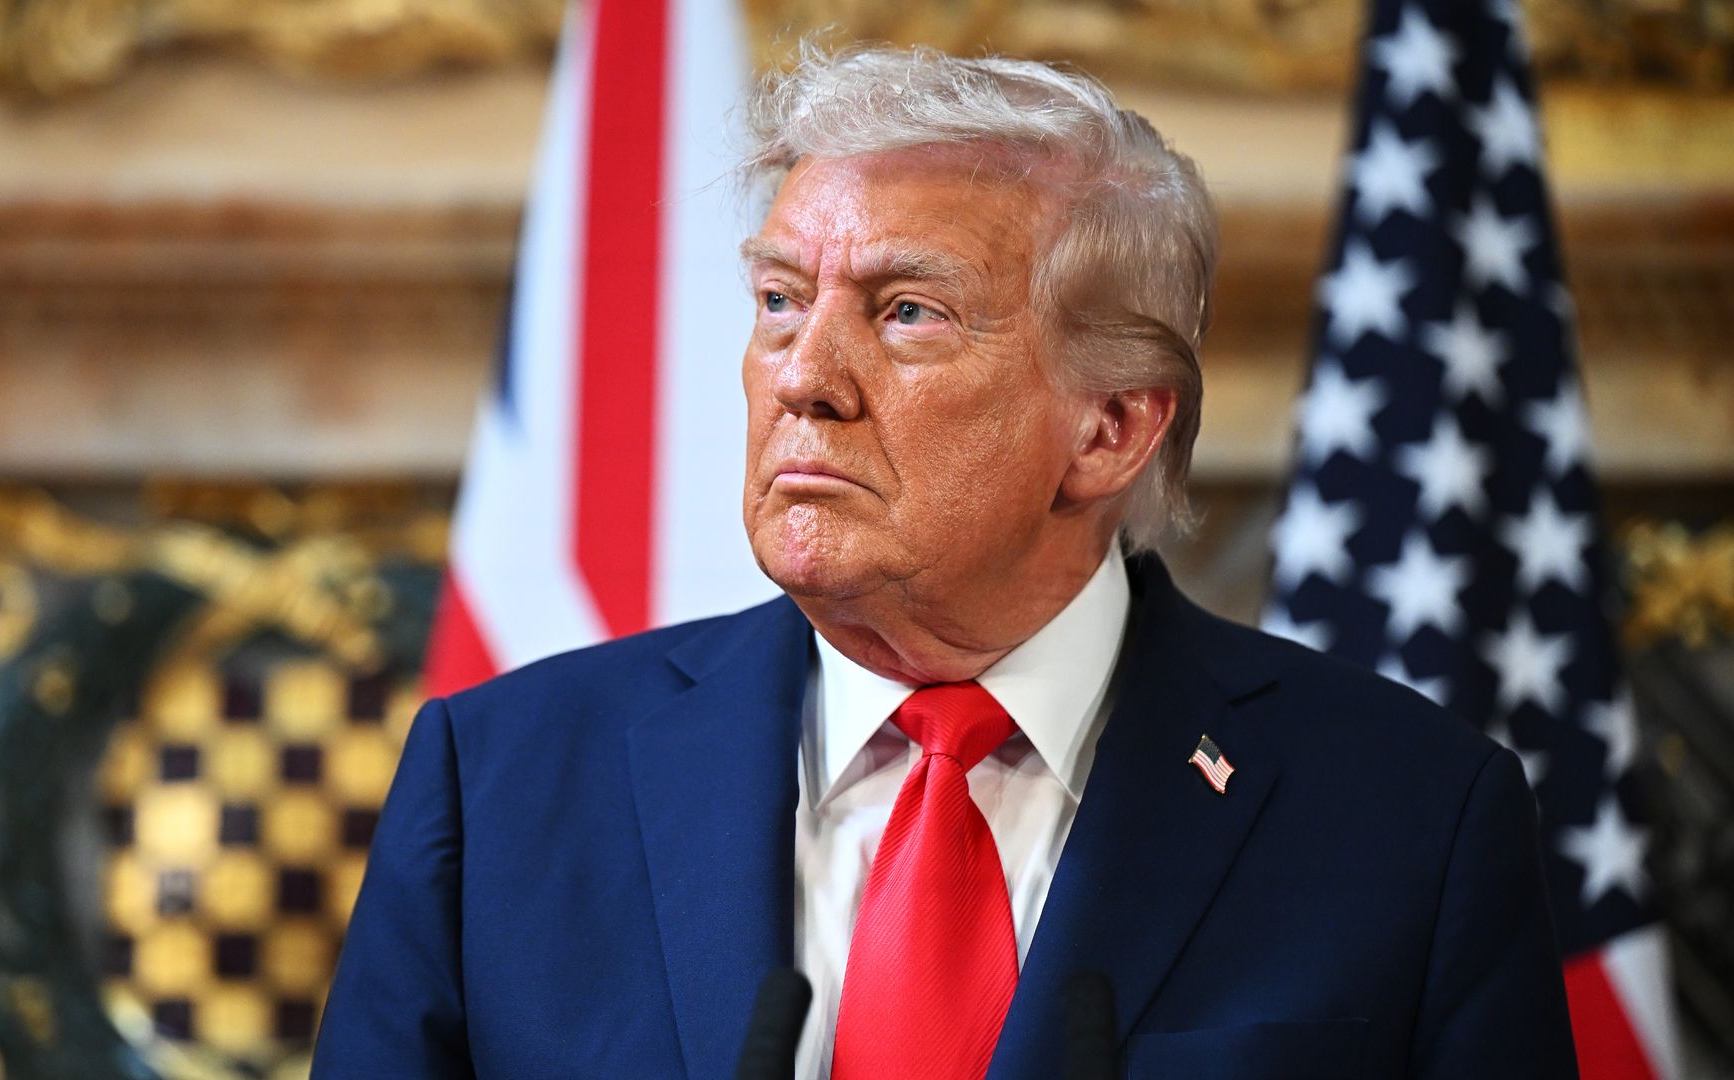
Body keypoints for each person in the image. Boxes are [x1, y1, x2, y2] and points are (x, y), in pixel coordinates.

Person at [313, 45, 1576, 1079]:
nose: (803, 377)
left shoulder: (1413, 816)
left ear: (1110, 427)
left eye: (908, 311)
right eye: (778, 300)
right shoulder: (504, 786)